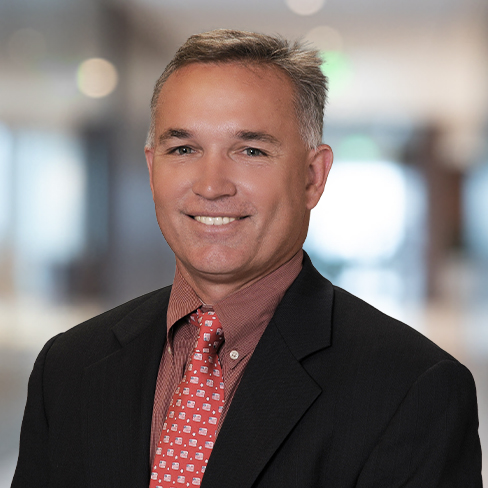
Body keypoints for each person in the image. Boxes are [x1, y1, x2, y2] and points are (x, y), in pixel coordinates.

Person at [12, 29, 482, 488]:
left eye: (251, 150)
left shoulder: (413, 389)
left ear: (313, 177)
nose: (212, 185)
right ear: (153, 169)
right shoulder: (68, 366)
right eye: (184, 149)